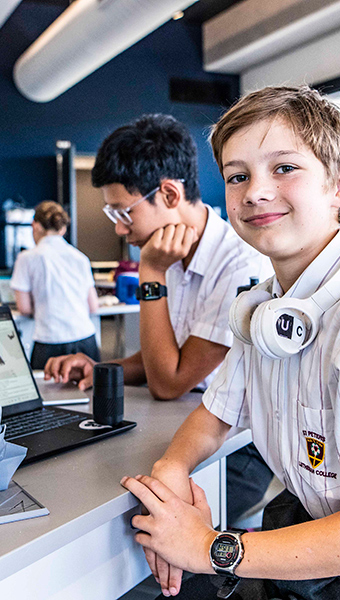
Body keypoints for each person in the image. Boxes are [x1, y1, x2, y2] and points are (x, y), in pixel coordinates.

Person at [119, 86, 340, 600]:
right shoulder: (267, 306)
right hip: (315, 535)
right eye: (238, 176)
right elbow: (216, 413)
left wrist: (207, 547)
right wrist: (172, 468)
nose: (255, 192)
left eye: (284, 168)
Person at [44, 114, 274, 524]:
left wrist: (150, 273)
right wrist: (103, 369)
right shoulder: (172, 252)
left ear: (169, 194)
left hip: (239, 447)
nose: (121, 229)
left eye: (123, 213)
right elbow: (164, 359)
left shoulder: (238, 264)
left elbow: (169, 382)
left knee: (132, 518)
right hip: (185, 421)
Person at [11, 201, 100, 369]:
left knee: (47, 386)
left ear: (35, 226)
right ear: (63, 229)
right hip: (85, 340)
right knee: (90, 385)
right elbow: (93, 306)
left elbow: (24, 308)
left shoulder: (27, 258)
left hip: (50, 341)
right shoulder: (80, 257)